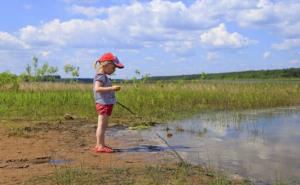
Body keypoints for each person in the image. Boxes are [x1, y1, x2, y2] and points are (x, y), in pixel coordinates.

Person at [92, 52, 124, 153]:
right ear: (106, 64)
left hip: (106, 103)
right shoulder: (100, 76)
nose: (114, 70)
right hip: (103, 104)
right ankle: (100, 146)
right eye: (113, 67)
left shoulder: (103, 76)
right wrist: (112, 88)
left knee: (103, 125)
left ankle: (99, 144)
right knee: (102, 125)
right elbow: (97, 89)